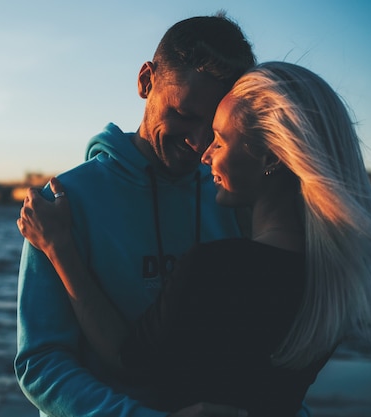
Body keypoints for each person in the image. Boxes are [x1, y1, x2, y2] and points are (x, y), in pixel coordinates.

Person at [17, 62, 371, 416]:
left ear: (272, 157)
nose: (203, 151)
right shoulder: (337, 275)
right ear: (147, 81)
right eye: (188, 118)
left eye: (220, 138)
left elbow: (125, 359)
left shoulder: (215, 263)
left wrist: (59, 249)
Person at [15, 13, 260, 417]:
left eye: (214, 124)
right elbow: (40, 363)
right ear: (146, 80)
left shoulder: (231, 196)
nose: (198, 142)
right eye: (185, 114)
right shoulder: (62, 204)